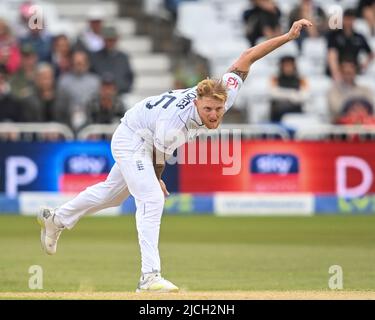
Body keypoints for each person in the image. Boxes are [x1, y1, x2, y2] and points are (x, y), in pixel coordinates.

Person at [37, 19, 313, 292]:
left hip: (147, 135)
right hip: (132, 137)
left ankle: (57, 219)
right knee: (151, 197)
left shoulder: (224, 93)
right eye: (207, 110)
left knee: (114, 194)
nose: (214, 115)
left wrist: (288, 37)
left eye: (218, 109)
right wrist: (156, 180)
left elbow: (248, 56)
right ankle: (149, 277)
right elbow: (159, 153)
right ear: (196, 103)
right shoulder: (176, 122)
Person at [326, 8, 374, 82]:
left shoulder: (359, 37)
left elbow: (370, 54)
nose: (348, 22)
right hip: (339, 72)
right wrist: (335, 72)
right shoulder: (334, 36)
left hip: (354, 72)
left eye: (351, 19)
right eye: (347, 19)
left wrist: (363, 65)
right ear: (343, 20)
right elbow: (332, 55)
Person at [270, 55, 309, 122]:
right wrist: (291, 95)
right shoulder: (275, 78)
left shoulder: (301, 79)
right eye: (285, 65)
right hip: (278, 113)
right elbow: (273, 93)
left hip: (296, 112)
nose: (288, 68)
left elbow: (305, 95)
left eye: (290, 65)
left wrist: (284, 94)